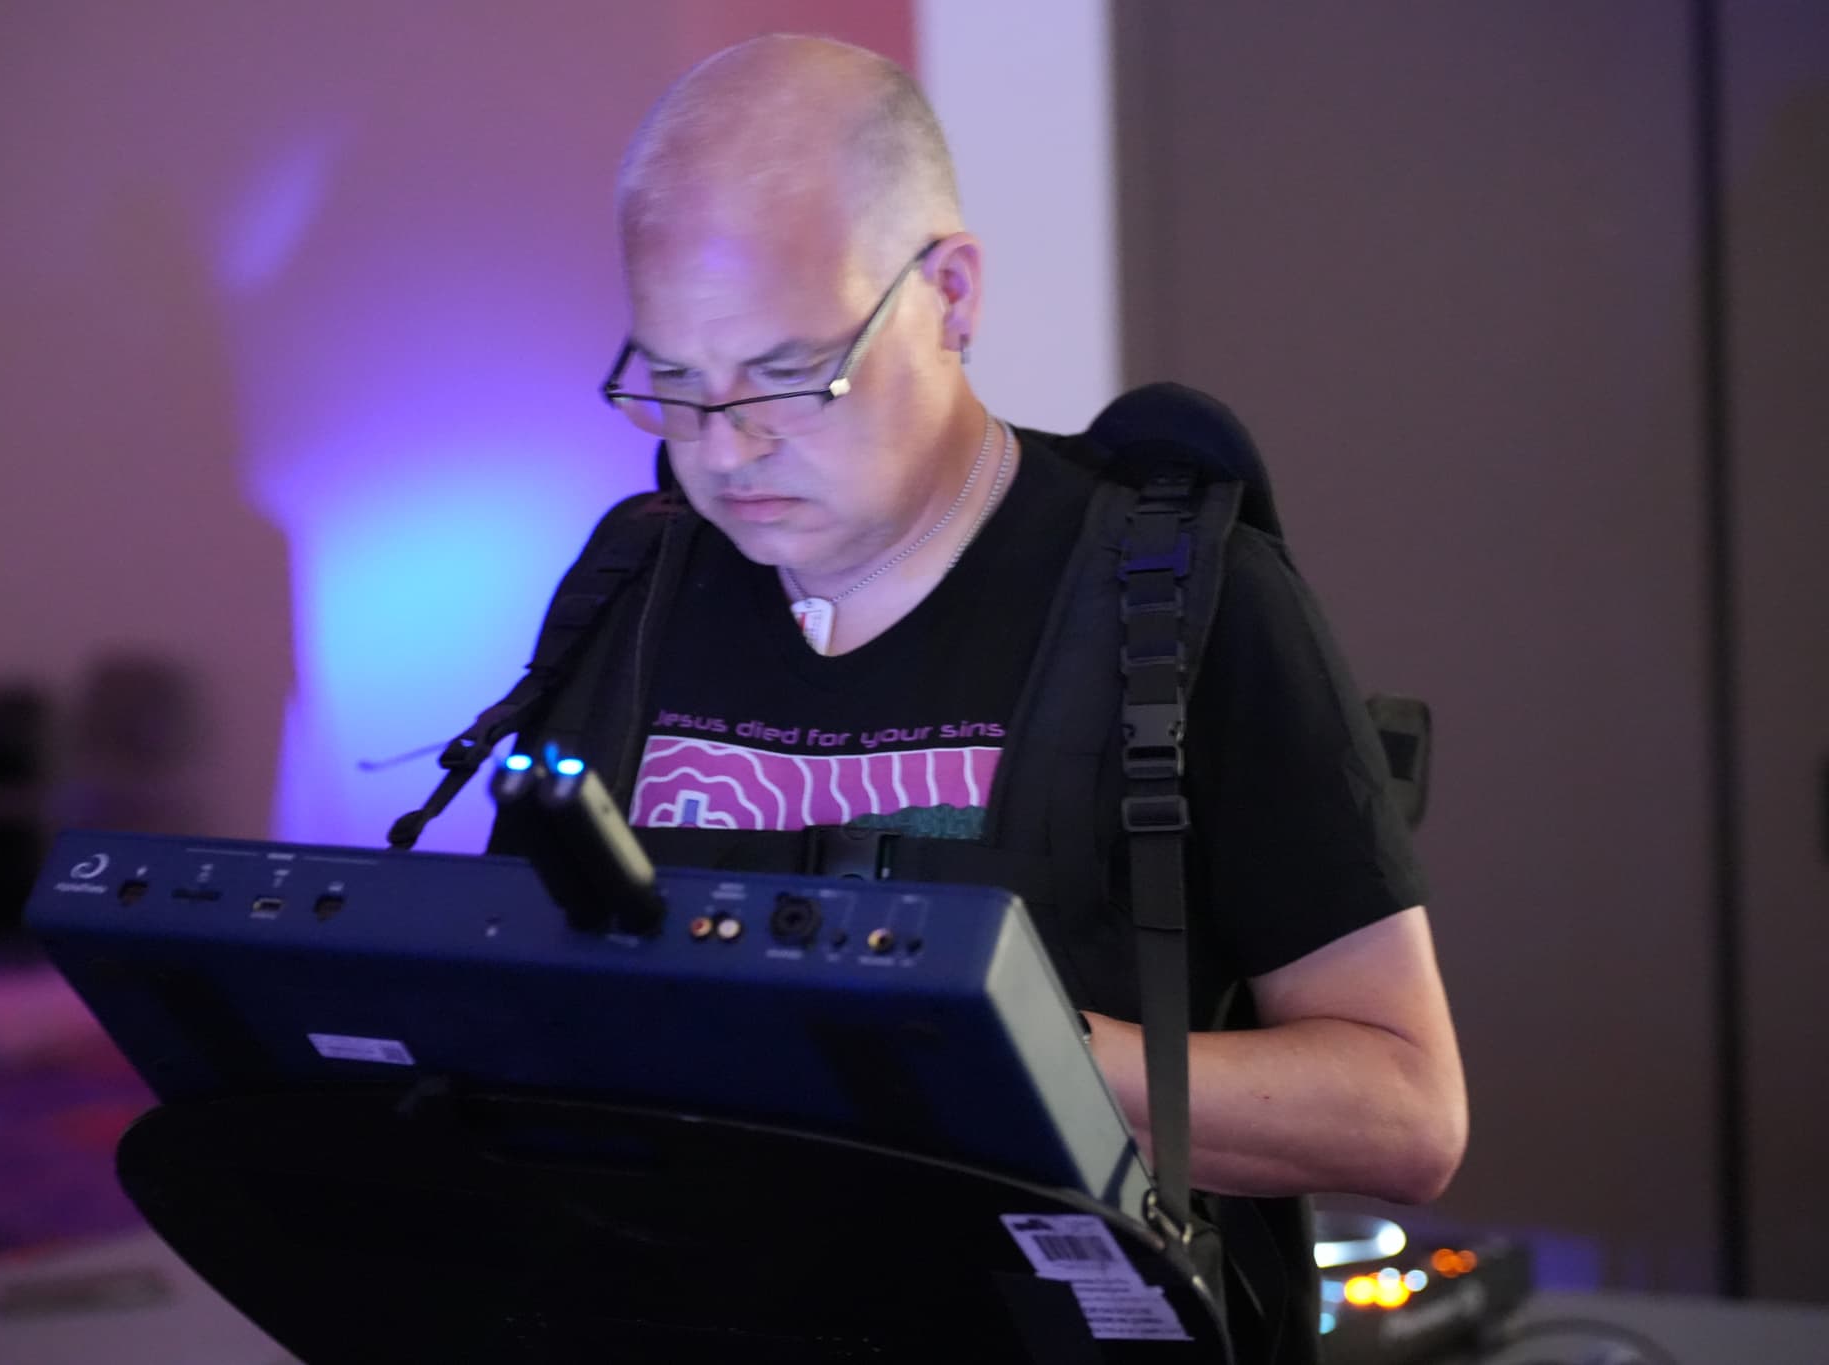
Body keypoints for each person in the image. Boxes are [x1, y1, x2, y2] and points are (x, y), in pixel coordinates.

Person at [495, 34, 1466, 1363]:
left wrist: (983, 1037)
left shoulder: (1181, 597)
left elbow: (1406, 1113)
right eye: (673, 382)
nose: (725, 448)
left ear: (948, 293)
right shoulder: (635, 592)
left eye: (787, 373)